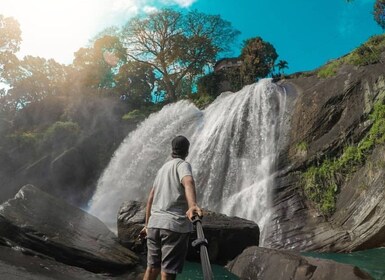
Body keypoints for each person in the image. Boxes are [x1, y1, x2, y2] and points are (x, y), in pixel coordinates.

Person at [140, 135, 203, 280]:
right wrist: (192, 205)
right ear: (187, 151)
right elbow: (188, 182)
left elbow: (150, 199)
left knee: (151, 268)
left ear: (172, 151)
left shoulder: (162, 169)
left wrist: (146, 225)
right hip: (173, 226)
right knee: (167, 272)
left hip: (154, 225)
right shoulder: (182, 165)